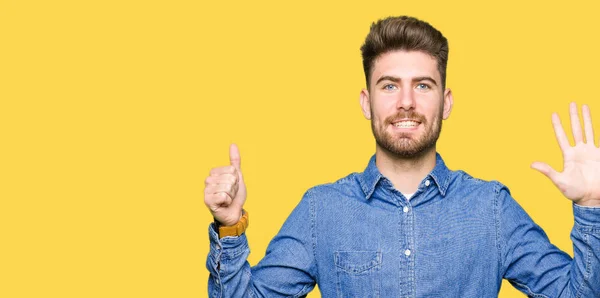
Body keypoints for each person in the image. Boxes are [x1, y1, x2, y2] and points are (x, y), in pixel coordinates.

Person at [203, 16, 600, 297]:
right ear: (366, 101)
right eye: (390, 86)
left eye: (423, 86)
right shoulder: (321, 210)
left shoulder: (491, 207)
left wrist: (592, 205)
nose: (407, 103)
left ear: (445, 103)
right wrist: (231, 226)